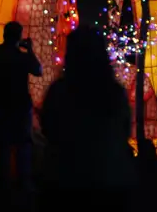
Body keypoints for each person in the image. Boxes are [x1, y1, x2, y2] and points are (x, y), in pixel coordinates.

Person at [40, 25, 136, 206]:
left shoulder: (60, 91)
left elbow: (49, 128)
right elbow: (124, 130)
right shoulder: (114, 92)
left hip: (67, 179)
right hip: (110, 178)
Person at [0, 21, 42, 191]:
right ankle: (23, 187)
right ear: (19, 36)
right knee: (23, 148)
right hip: (20, 108)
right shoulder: (21, 57)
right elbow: (38, 70)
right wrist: (29, 50)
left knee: (3, 150)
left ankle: (4, 188)